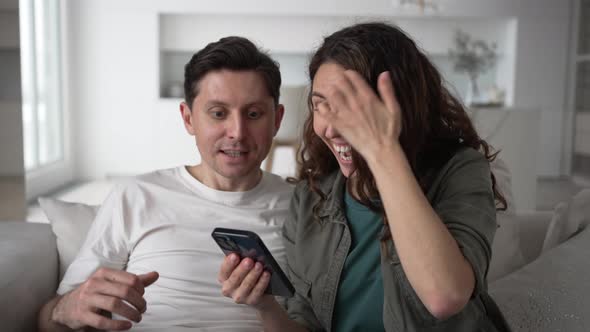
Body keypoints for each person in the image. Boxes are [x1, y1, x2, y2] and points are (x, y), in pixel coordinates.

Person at [218, 22, 512, 331]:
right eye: (321, 105)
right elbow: (304, 322)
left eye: (350, 108)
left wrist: (382, 148)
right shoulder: (310, 196)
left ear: (400, 106)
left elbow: (445, 296)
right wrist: (265, 305)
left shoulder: (460, 169)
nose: (330, 129)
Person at [38, 36, 293, 331]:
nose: (237, 131)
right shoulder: (136, 195)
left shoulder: (305, 207)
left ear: (276, 120)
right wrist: (66, 308)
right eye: (218, 113)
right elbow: (49, 320)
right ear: (188, 119)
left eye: (253, 114)